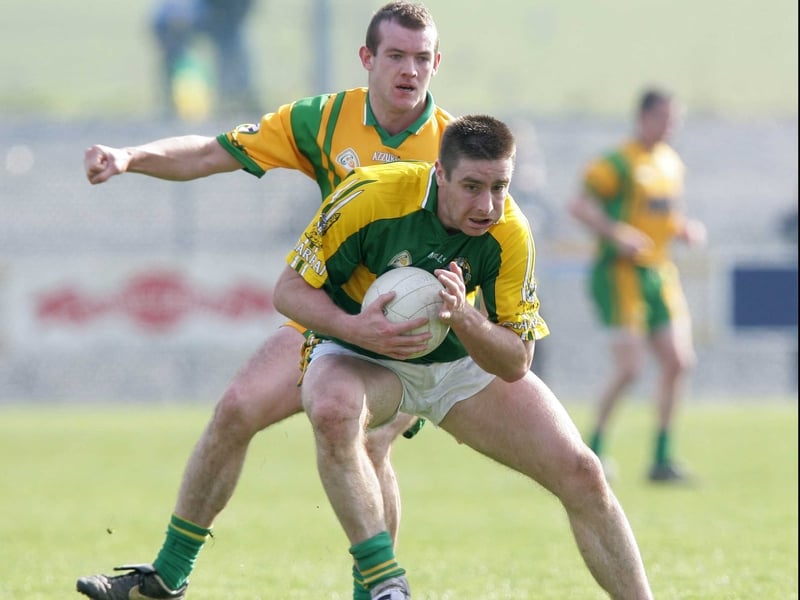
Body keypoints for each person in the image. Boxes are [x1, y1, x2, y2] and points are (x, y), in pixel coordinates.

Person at [76, 3, 449, 599]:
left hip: (411, 335)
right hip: (331, 319)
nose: (409, 70)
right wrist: (131, 158)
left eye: (422, 58)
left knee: (367, 441)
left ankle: (377, 593)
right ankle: (166, 577)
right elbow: (210, 151)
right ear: (368, 59)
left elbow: (488, 240)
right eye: (396, 56)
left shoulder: (451, 148)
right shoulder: (323, 121)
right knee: (235, 411)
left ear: (436, 63)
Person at [273, 114, 655, 599]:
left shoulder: (510, 230)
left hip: (457, 365)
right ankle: (386, 584)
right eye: (472, 186)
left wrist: (467, 319)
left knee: (582, 472)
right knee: (332, 411)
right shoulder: (369, 197)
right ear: (440, 173)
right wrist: (356, 328)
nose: (488, 205)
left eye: (500, 187)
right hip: (363, 353)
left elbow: (517, 362)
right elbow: (288, 292)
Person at [568, 88, 707, 484]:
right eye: (664, 117)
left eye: (675, 118)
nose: (670, 126)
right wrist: (617, 233)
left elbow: (663, 215)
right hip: (620, 272)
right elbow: (579, 206)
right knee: (630, 368)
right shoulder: (618, 162)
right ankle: (591, 449)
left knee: (680, 362)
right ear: (644, 117)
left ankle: (662, 458)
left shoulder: (670, 163)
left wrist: (683, 229)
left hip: (659, 271)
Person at [152, 0, 259, 118]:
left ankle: (235, 97)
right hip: (194, 6)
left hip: (227, 10)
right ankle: (174, 97)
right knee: (166, 21)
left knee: (229, 34)